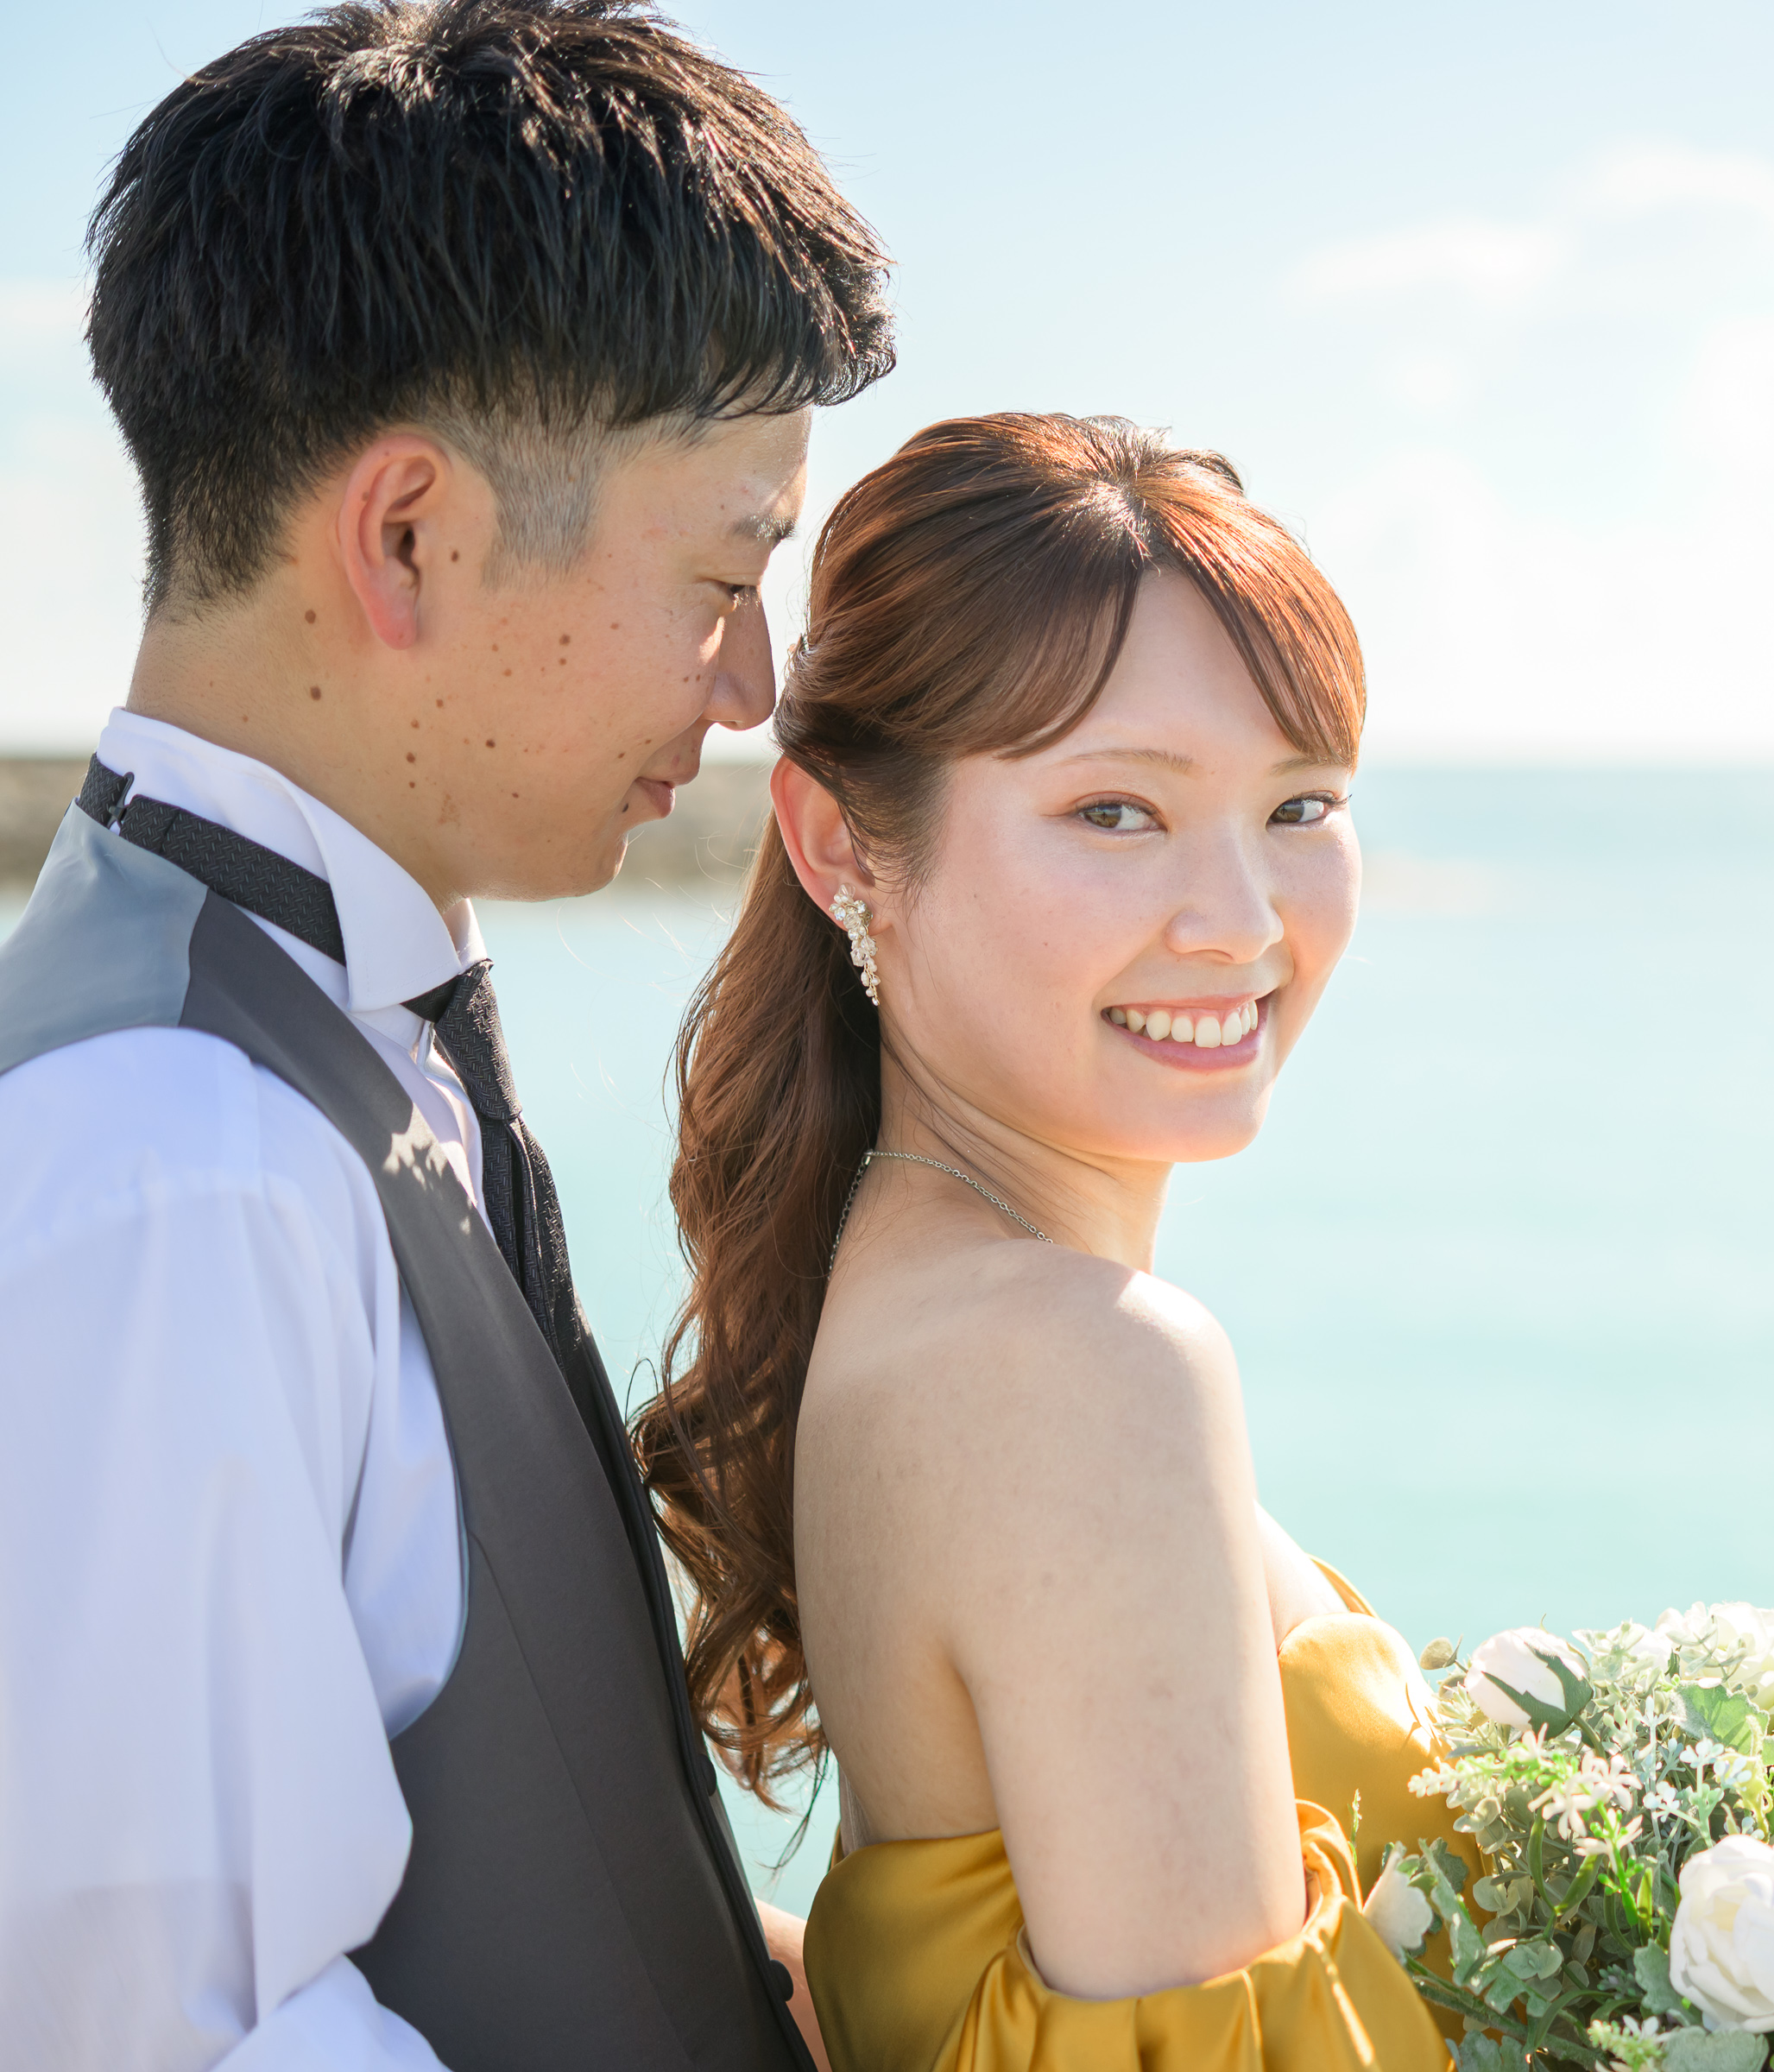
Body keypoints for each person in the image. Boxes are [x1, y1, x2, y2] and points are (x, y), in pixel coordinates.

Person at [0, 4, 890, 2068]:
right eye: (725, 569)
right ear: (410, 538)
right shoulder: (176, 1157)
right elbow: (177, 2038)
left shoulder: (306, 1022)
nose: (755, 686)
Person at [634, 413, 1452, 2072]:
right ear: (840, 844)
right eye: (1116, 813)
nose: (1240, 918)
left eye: (1302, 804)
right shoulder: (1081, 1365)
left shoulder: (909, 1290)